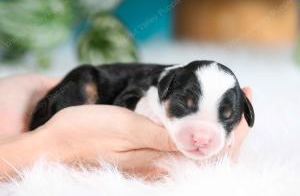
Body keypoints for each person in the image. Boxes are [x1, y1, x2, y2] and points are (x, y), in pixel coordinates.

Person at [0, 74, 253, 180]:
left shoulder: (179, 80)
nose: (200, 134)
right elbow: (129, 98)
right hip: (89, 81)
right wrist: (51, 144)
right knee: (82, 84)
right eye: (185, 107)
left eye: (225, 118)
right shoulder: (159, 89)